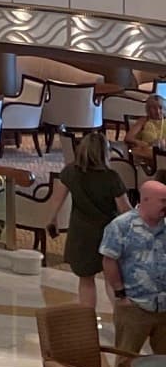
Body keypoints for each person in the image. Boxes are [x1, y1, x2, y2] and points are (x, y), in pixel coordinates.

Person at [62, 129, 130, 320]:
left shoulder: (70, 172)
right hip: (108, 233)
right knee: (113, 280)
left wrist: (50, 220)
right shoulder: (111, 177)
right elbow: (125, 209)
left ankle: (87, 321)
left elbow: (57, 200)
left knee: (86, 280)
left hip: (81, 232)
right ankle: (121, 321)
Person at [103, 174, 166, 359]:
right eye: (163, 201)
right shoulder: (121, 226)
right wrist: (120, 294)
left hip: (164, 307)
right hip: (134, 306)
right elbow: (109, 260)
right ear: (145, 200)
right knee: (126, 359)